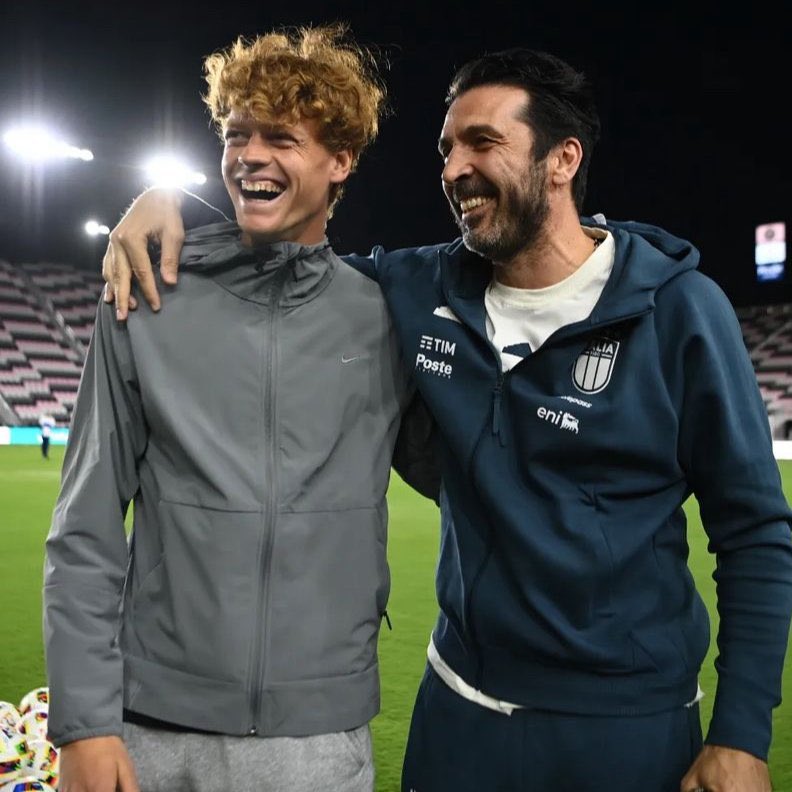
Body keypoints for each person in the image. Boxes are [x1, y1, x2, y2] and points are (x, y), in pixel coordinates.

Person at [102, 47, 792, 792]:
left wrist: (743, 734)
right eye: (447, 148)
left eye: (483, 143)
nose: (454, 168)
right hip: (458, 714)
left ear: (562, 160)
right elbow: (294, 260)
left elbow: (752, 529)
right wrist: (167, 201)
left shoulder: (680, 311)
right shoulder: (415, 288)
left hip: (628, 725)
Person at [43, 25, 435, 792]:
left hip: (317, 741)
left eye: (281, 137)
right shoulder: (147, 295)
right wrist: (85, 724)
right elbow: (84, 528)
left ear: (341, 161)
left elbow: (471, 478)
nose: (250, 154)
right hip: (151, 730)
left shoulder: (385, 315)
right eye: (236, 134)